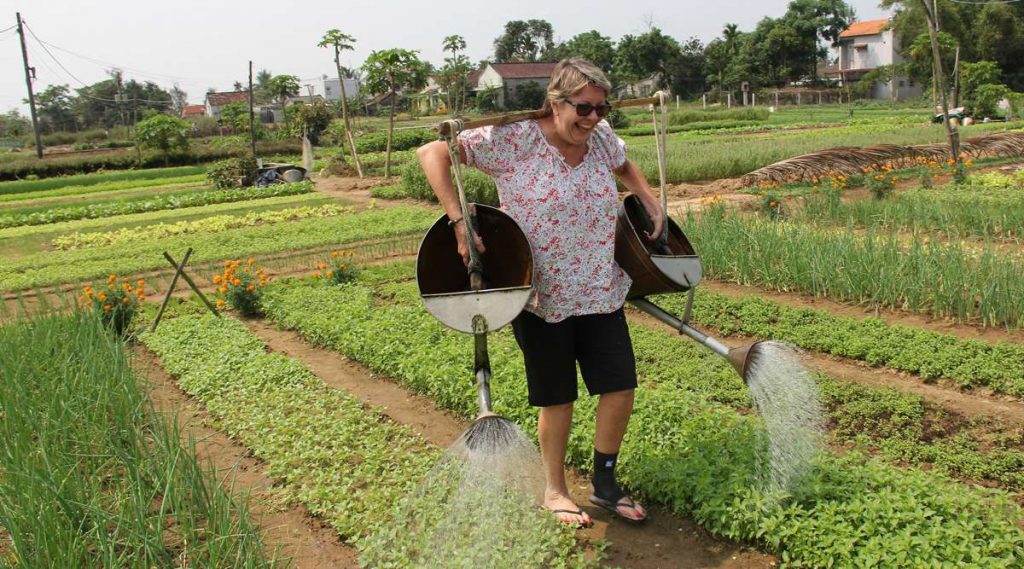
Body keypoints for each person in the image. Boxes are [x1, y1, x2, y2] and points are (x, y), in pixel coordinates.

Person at [417, 58, 664, 527]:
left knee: (619, 388)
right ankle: (555, 490)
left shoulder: (600, 138)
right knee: (558, 398)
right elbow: (433, 153)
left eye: (601, 109)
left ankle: (606, 485)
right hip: (541, 297)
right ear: (556, 102)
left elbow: (622, 162)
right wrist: (459, 221)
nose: (593, 119)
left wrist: (648, 197)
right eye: (584, 109)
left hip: (600, 287)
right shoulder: (516, 138)